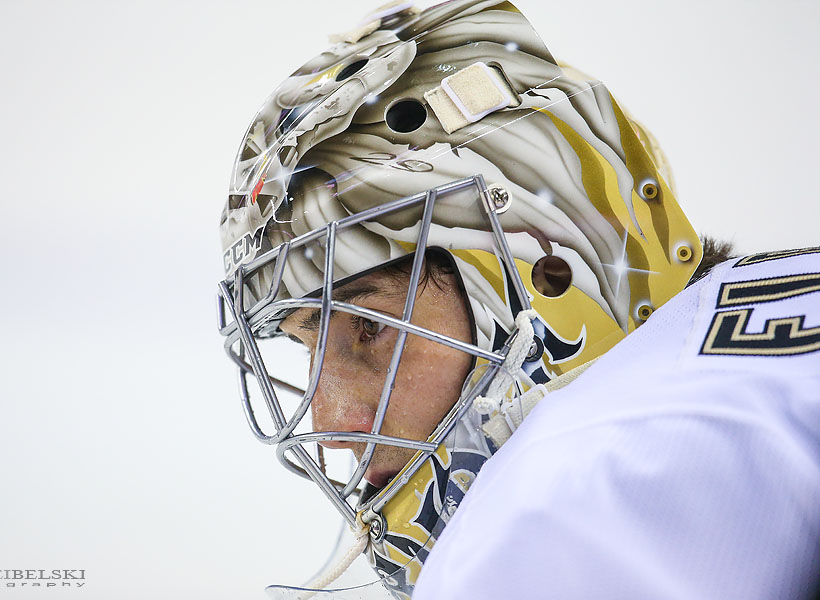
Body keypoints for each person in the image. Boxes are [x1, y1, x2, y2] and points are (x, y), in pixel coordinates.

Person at [218, 1, 820, 598]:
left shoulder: (563, 500)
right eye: (305, 348)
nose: (329, 428)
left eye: (368, 327)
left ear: (546, 272)